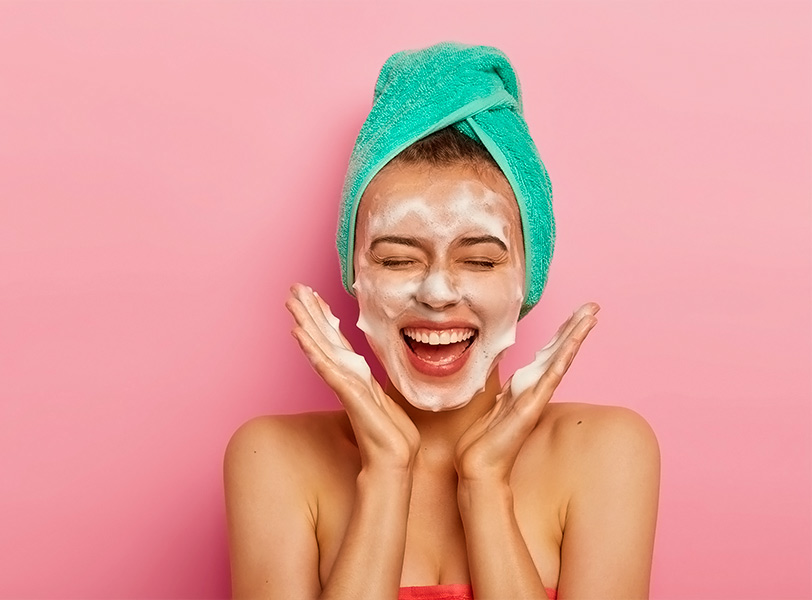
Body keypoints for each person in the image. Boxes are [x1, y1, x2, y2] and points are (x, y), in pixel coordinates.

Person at [224, 42, 660, 600]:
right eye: (396, 259)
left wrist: (485, 486)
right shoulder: (273, 459)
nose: (436, 292)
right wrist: (385, 474)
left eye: (479, 260)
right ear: (354, 273)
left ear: (530, 275)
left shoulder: (607, 452)